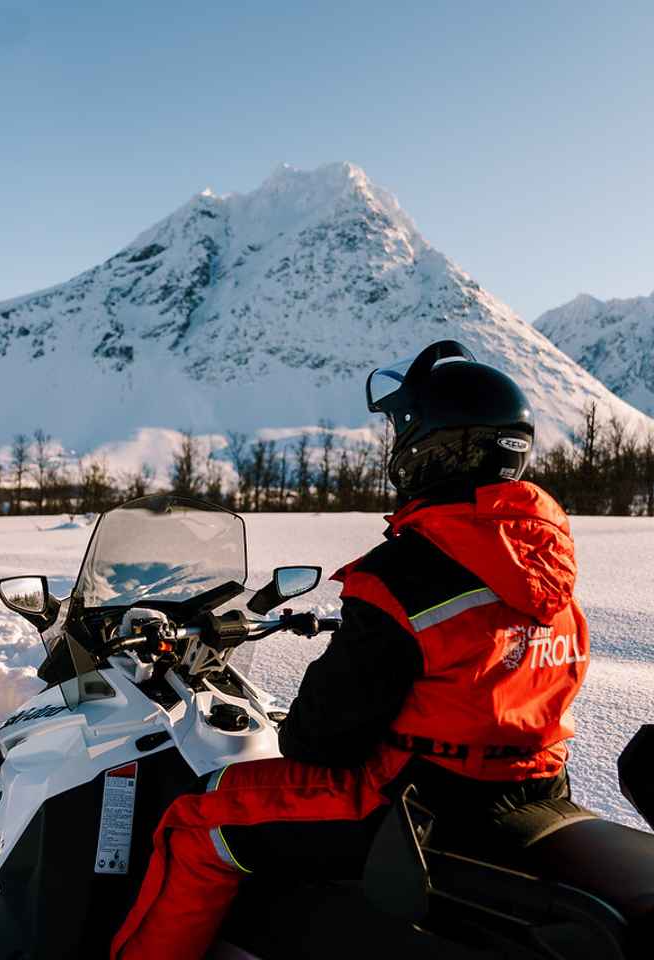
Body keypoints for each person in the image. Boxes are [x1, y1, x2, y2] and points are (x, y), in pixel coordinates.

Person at [111, 340, 591, 959]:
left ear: (432, 449)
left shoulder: (402, 575)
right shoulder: (546, 564)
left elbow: (319, 741)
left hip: (411, 805)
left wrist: (307, 717)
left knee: (194, 820)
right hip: (533, 786)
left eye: (404, 432)